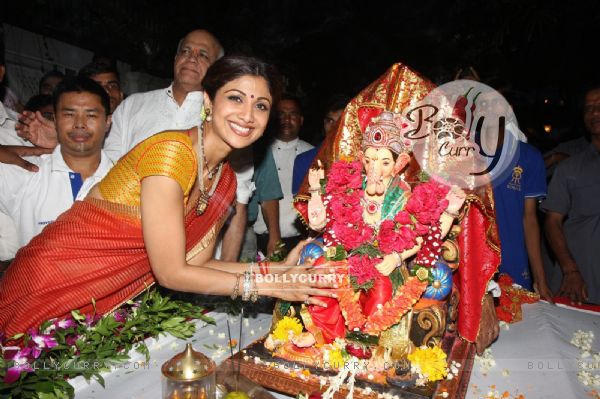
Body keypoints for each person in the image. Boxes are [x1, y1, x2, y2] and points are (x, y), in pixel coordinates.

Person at [0, 56, 336, 338]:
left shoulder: (225, 179)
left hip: (100, 300)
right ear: (208, 101)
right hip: (49, 282)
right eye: (235, 98)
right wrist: (272, 286)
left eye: (260, 105)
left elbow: (198, 264)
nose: (247, 114)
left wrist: (278, 271)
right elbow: (171, 273)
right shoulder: (172, 152)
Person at [0, 77, 113, 258]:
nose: (79, 124)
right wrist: (29, 150)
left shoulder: (126, 180)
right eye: (68, 114)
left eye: (91, 115)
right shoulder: (27, 175)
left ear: (107, 122)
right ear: (56, 120)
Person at [542, 85, 600, 304]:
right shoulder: (571, 168)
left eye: (599, 106)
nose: (594, 112)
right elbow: (552, 222)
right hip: (581, 287)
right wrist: (570, 270)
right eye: (589, 108)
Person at [253, 95, 313, 253]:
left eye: (292, 114)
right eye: (281, 114)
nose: (287, 119)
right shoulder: (257, 152)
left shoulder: (313, 154)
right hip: (262, 240)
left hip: (302, 240)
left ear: (301, 120)